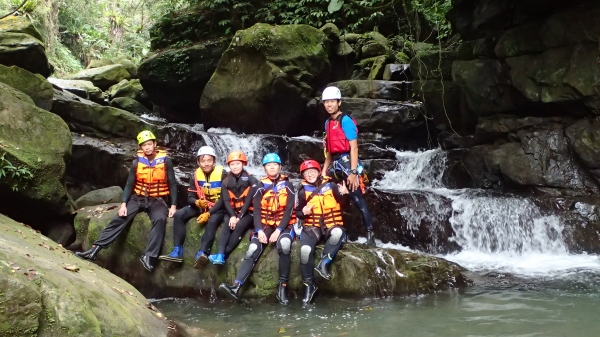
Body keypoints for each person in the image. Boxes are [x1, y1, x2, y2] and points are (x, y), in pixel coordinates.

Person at [76, 130, 177, 272]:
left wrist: (173, 205)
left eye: (149, 144)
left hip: (157, 199)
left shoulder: (166, 162)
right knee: (120, 218)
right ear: (140, 148)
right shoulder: (136, 163)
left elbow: (172, 184)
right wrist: (123, 204)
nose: (147, 147)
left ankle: (148, 256)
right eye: (144, 145)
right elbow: (129, 185)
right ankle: (94, 250)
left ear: (155, 144)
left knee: (160, 220)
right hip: (138, 197)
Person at [219, 153, 296, 305]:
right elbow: (257, 211)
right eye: (268, 165)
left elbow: (288, 210)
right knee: (253, 247)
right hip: (266, 224)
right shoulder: (260, 186)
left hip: (284, 226)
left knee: (284, 245)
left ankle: (283, 287)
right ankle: (236, 286)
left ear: (280, 167)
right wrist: (259, 230)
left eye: (275, 165)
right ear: (264, 168)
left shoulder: (288, 185)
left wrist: (279, 230)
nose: (272, 167)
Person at [321, 86, 376, 247]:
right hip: (335, 163)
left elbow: (354, 148)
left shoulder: (345, 120)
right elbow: (329, 151)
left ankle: (370, 234)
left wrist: (353, 172)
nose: (329, 105)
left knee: (357, 198)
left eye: (332, 101)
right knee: (323, 189)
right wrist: (324, 171)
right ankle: (330, 229)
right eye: (326, 102)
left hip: (347, 162)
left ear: (339, 102)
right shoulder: (327, 123)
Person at [158, 146, 227, 267]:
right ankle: (177, 251)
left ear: (214, 161)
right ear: (198, 162)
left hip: (218, 207)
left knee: (213, 221)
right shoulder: (195, 175)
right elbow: (190, 197)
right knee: (179, 215)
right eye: (203, 161)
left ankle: (203, 253)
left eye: (209, 160)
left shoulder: (223, 174)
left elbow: (224, 199)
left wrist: (209, 213)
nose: (206, 164)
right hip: (201, 205)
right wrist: (197, 202)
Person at [296, 159, 349, 306]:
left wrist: (344, 194)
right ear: (303, 176)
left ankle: (323, 263)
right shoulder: (302, 191)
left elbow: (344, 205)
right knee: (305, 250)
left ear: (319, 172)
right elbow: (298, 213)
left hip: (332, 224)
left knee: (338, 233)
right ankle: (309, 286)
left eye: (313, 171)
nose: (310, 174)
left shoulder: (331, 185)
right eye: (307, 173)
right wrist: (304, 212)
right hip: (312, 228)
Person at [207, 151, 258, 265]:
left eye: (238, 164)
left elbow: (249, 200)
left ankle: (224, 254)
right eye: (232, 164)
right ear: (229, 165)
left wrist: (239, 217)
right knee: (227, 223)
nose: (235, 167)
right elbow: (225, 200)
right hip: (234, 212)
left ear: (243, 164)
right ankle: (220, 254)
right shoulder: (226, 181)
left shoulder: (251, 180)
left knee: (239, 225)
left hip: (249, 213)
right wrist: (233, 216)